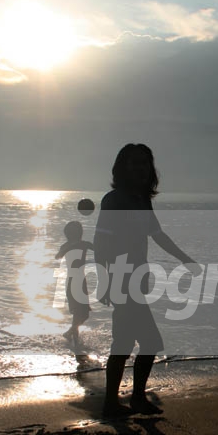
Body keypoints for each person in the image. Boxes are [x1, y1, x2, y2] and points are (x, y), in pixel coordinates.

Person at [94, 143, 198, 417]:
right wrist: (103, 281)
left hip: (138, 280)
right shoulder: (114, 200)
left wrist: (185, 259)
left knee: (126, 342)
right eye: (134, 162)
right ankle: (125, 401)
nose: (140, 168)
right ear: (123, 167)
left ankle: (119, 402)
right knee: (147, 342)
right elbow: (100, 241)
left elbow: (158, 234)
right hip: (121, 280)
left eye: (144, 163)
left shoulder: (142, 200)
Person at [55, 220, 94, 348]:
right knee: (79, 312)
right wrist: (71, 247)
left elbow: (98, 249)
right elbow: (57, 256)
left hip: (81, 281)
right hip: (73, 280)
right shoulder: (67, 246)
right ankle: (73, 337)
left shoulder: (84, 244)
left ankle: (72, 336)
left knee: (82, 313)